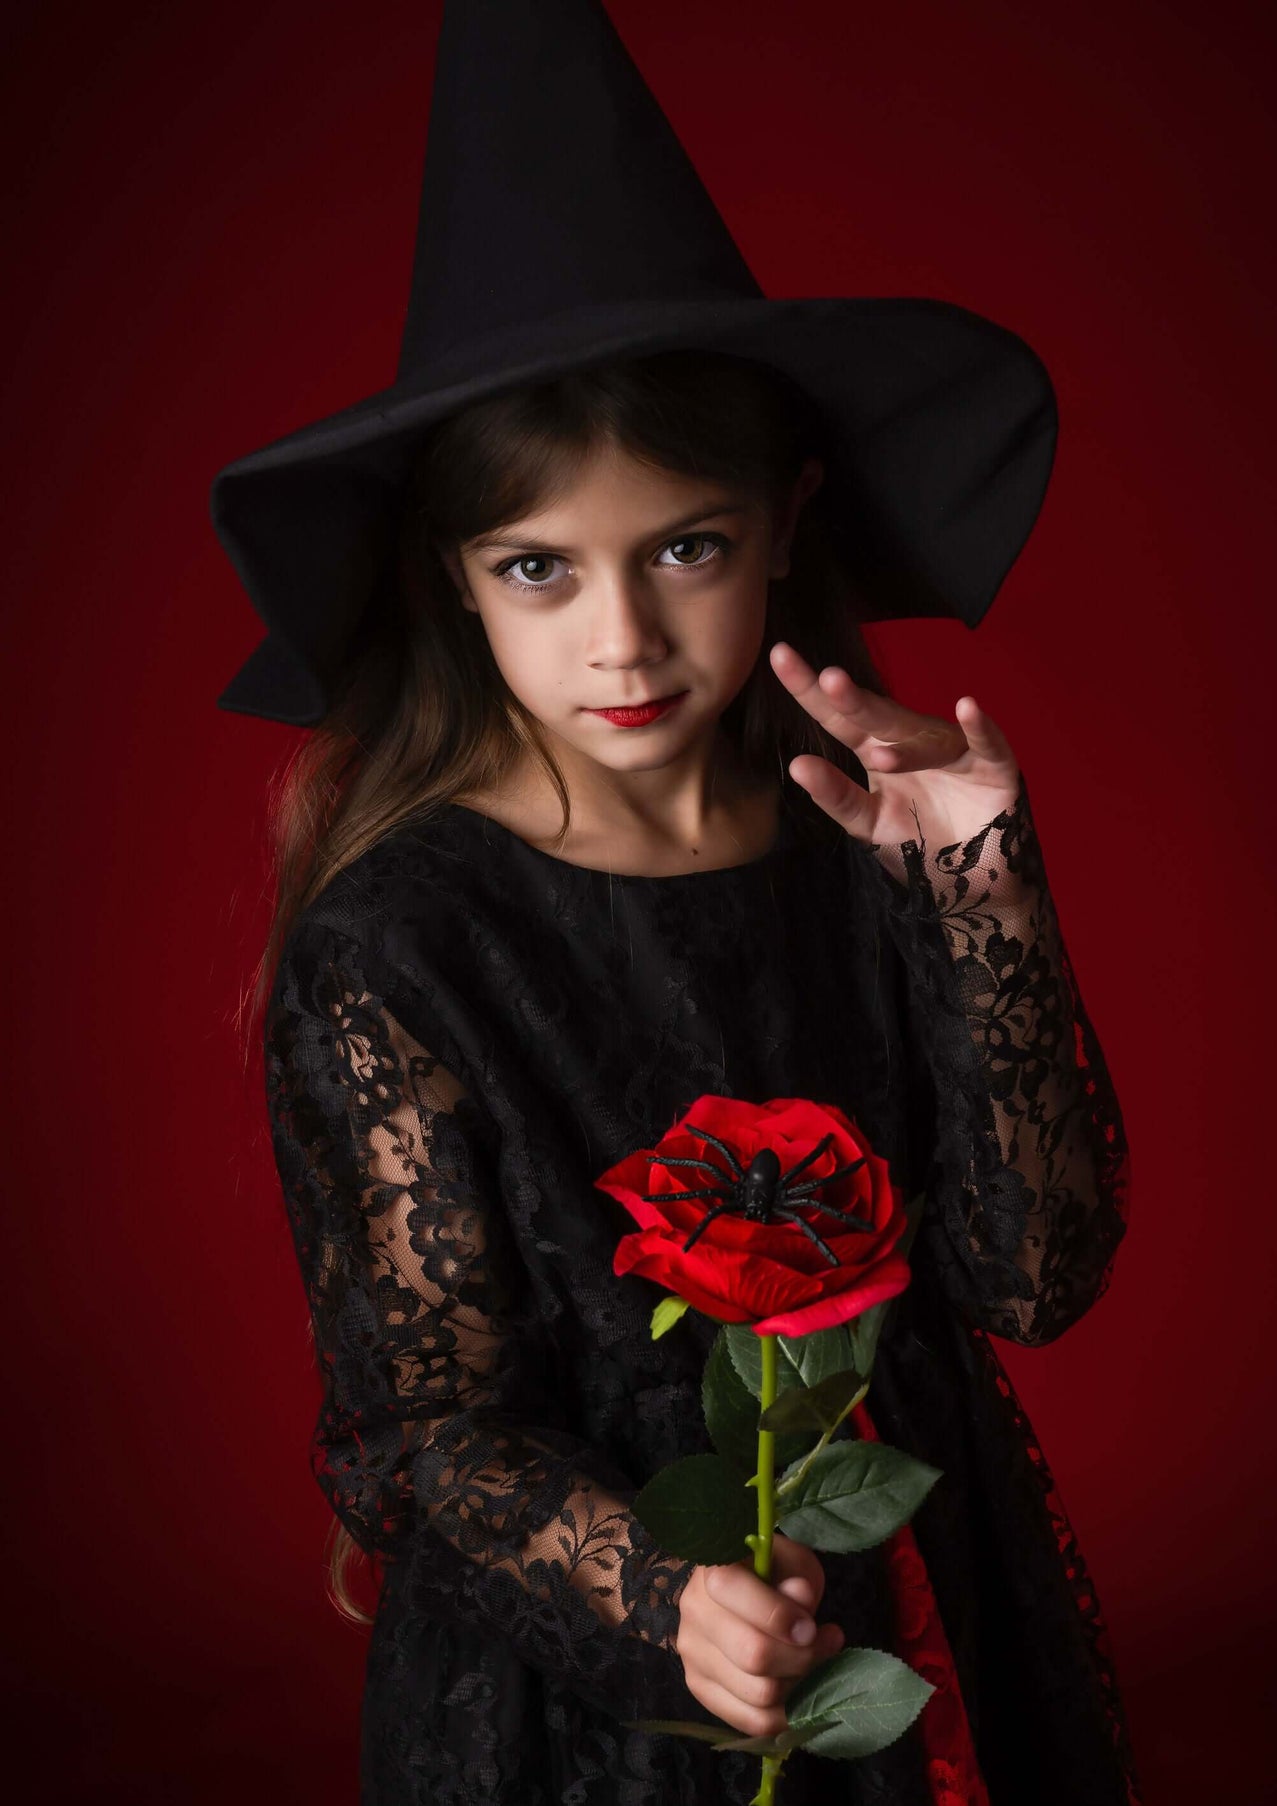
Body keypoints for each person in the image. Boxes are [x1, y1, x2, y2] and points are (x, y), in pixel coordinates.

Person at [216, 6, 1142, 1803]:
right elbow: (420, 1432)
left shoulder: (863, 841)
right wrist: (667, 1595)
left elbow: (1031, 1280)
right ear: (457, 583)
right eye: (541, 566)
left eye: (685, 548)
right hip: (593, 1685)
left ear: (786, 523)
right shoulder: (398, 945)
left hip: (922, 1596)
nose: (622, 638)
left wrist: (976, 888)